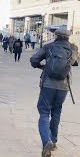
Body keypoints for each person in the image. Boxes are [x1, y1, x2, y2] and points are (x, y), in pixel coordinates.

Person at [30, 28, 78, 157]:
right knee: (56, 111)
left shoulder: (48, 47)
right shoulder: (73, 48)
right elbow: (75, 62)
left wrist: (44, 67)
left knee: (44, 112)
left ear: (56, 36)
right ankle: (54, 141)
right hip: (64, 87)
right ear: (68, 37)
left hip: (48, 85)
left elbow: (33, 60)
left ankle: (46, 141)